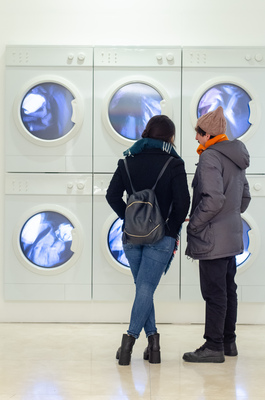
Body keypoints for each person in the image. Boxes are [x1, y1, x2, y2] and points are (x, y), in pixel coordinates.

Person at [106, 115, 190, 365]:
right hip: (161, 236)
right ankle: (129, 342)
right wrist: (170, 230)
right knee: (146, 287)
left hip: (132, 236)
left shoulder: (127, 160)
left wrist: (129, 219)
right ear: (169, 138)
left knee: (143, 286)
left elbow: (112, 196)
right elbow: (183, 202)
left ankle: (154, 343)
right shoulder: (174, 163)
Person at [183, 106, 251, 363]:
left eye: (199, 133)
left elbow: (212, 200)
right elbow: (243, 197)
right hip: (231, 236)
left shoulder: (210, 157)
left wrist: (195, 225)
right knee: (227, 289)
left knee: (214, 292)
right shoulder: (236, 156)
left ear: (208, 134)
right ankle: (228, 342)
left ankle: (213, 346)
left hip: (213, 238)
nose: (196, 138)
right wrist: (229, 216)